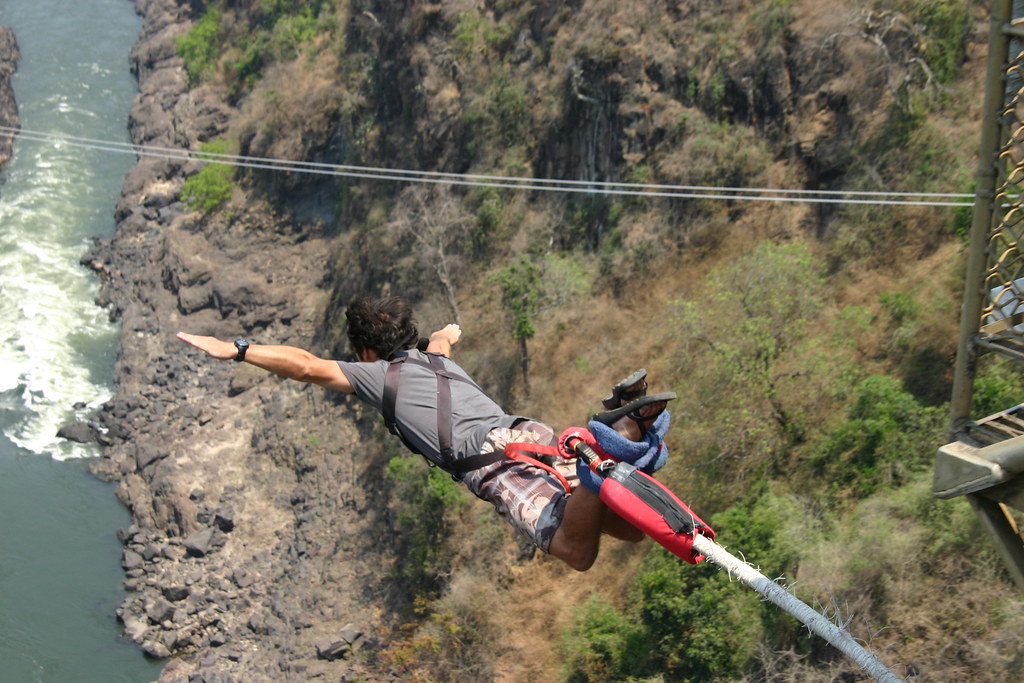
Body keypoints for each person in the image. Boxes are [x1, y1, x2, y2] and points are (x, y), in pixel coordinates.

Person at [177, 295, 674, 571]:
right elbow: (439, 339)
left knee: (576, 551)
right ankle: (626, 436)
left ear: (367, 353)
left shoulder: (375, 376)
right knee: (630, 528)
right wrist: (448, 333)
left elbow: (306, 366)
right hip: (531, 433)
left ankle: (611, 440)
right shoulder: (435, 357)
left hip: (494, 462)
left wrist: (237, 349)